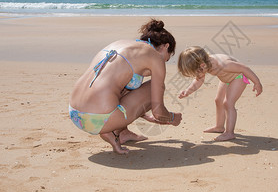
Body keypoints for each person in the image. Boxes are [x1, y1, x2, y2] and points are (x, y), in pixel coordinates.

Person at [69, 19, 182, 154]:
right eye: (167, 58)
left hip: (75, 114)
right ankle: (114, 131)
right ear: (165, 46)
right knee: (156, 86)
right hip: (99, 119)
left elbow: (119, 93)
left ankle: (122, 133)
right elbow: (158, 112)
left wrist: (144, 115)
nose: (165, 61)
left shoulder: (120, 44)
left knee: (125, 87)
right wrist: (172, 118)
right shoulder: (155, 57)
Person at [177, 46, 262, 141]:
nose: (196, 75)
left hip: (239, 77)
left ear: (202, 65)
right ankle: (219, 126)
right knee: (218, 100)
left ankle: (229, 133)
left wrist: (257, 83)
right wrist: (188, 91)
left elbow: (244, 68)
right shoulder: (205, 64)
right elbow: (199, 80)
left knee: (228, 103)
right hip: (226, 79)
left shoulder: (224, 64)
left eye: (196, 73)